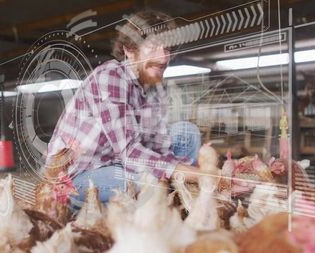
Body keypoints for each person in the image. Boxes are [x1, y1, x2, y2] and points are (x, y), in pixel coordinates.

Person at [45, 10, 201, 208]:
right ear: (129, 50)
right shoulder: (111, 76)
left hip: (122, 165)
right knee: (145, 183)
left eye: (167, 48)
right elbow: (129, 152)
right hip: (79, 174)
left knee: (186, 132)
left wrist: (183, 170)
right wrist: (195, 174)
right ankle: (80, 204)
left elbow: (159, 146)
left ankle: (171, 191)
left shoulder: (154, 90)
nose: (163, 57)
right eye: (153, 48)